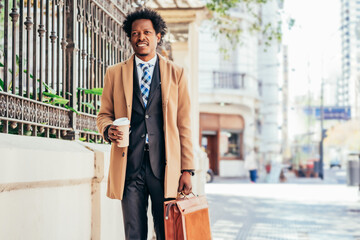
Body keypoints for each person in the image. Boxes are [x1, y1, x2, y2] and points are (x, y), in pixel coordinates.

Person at [96, 8, 194, 240]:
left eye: (147, 32)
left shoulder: (176, 74)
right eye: (135, 33)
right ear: (130, 38)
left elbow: (184, 124)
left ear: (158, 36)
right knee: (134, 233)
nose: (141, 37)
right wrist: (109, 130)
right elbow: (103, 115)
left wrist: (187, 170)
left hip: (165, 167)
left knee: (166, 233)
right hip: (130, 166)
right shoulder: (114, 73)